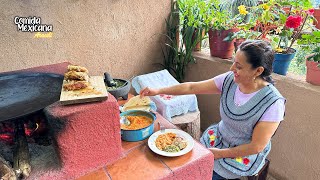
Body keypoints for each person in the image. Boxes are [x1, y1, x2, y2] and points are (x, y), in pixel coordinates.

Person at [140, 40, 286, 180]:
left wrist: (220, 154)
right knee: (190, 167)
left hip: (243, 152)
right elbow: (192, 87)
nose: (231, 69)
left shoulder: (272, 103)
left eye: (239, 67)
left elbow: (256, 146)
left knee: (201, 173)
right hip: (218, 138)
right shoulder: (230, 80)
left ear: (258, 70)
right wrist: (158, 90)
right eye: (233, 62)